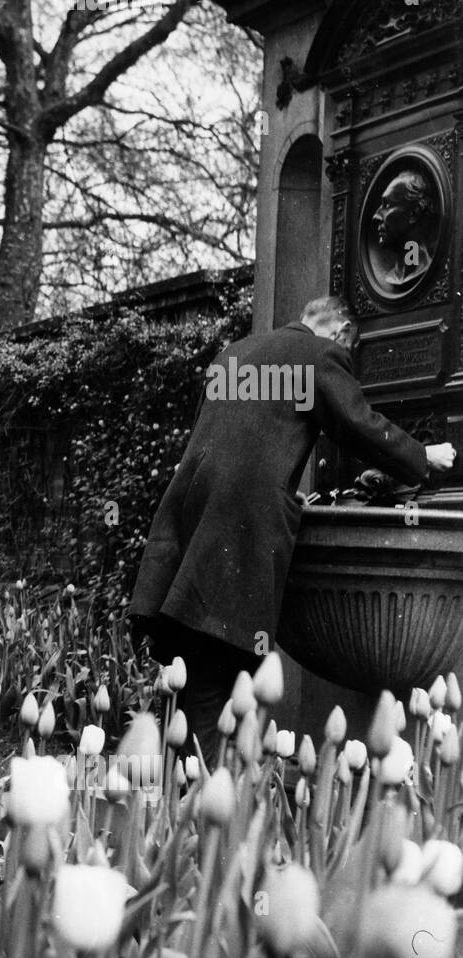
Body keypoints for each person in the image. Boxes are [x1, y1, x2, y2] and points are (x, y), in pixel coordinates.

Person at [128, 295, 455, 764]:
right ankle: (202, 796)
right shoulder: (319, 355)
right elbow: (357, 424)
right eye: (349, 348)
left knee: (196, 675)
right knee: (222, 680)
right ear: (341, 333)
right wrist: (423, 456)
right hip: (243, 536)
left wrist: (277, 489)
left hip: (192, 527)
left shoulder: (233, 354)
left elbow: (232, 439)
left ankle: (169, 790)